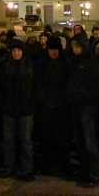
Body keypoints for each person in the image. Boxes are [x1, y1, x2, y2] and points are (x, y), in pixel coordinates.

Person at [67, 33, 99, 188]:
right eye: (73, 47)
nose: (75, 49)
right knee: (79, 140)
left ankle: (96, 174)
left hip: (87, 107)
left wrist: (88, 94)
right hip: (75, 105)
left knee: (89, 141)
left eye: (77, 47)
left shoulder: (92, 62)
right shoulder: (73, 62)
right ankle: (84, 170)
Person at [0, 40, 36, 181]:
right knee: (8, 141)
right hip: (9, 110)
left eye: (19, 50)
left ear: (23, 52)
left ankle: (27, 170)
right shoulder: (6, 67)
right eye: (14, 51)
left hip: (25, 111)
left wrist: (31, 104)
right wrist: (3, 103)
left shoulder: (30, 66)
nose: (16, 53)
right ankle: (9, 168)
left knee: (26, 141)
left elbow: (37, 87)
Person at [34, 36, 72, 177]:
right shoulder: (41, 64)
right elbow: (37, 84)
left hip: (62, 107)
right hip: (46, 107)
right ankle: (46, 165)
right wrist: (41, 99)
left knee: (63, 139)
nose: (54, 52)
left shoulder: (65, 64)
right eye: (51, 49)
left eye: (56, 49)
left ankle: (65, 165)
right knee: (46, 138)